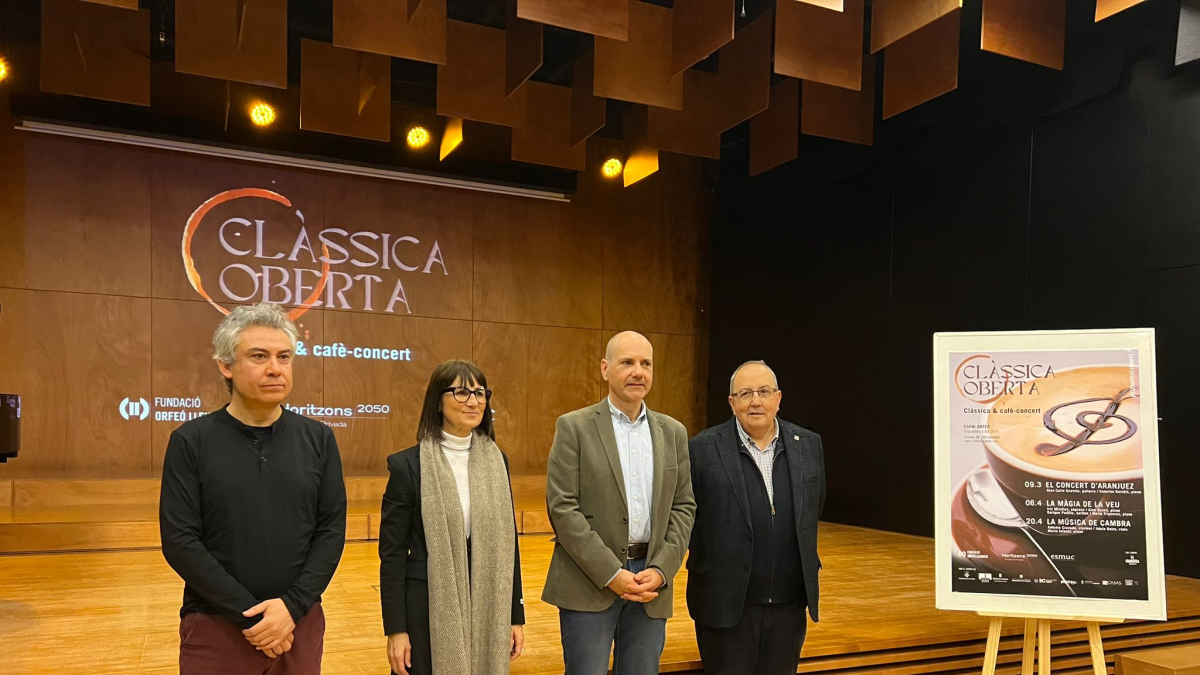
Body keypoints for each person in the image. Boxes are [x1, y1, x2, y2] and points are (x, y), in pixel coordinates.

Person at [160, 302, 348, 675]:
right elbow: (180, 541)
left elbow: (330, 530)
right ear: (225, 366)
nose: (275, 368)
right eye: (259, 356)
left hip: (298, 624)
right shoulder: (190, 441)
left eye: (284, 357)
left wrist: (291, 607)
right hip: (217, 624)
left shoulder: (319, 439)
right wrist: (252, 617)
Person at [542, 331, 696, 674]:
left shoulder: (673, 432)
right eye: (627, 362)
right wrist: (611, 573)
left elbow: (684, 507)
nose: (638, 371)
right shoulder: (574, 427)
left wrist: (661, 569)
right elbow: (563, 508)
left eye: (646, 363)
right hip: (589, 581)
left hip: (650, 585)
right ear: (605, 368)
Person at [379, 359, 525, 675]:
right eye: (461, 392)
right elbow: (391, 556)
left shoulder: (498, 462)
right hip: (426, 609)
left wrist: (515, 615)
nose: (473, 401)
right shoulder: (409, 466)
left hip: (489, 606)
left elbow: (508, 545)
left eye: (480, 393)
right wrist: (396, 629)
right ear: (438, 400)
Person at [686, 360, 825, 675]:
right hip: (725, 607)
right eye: (745, 393)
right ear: (732, 403)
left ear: (778, 398)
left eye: (763, 391)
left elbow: (812, 510)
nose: (755, 401)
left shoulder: (809, 446)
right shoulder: (702, 449)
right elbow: (690, 519)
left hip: (789, 609)